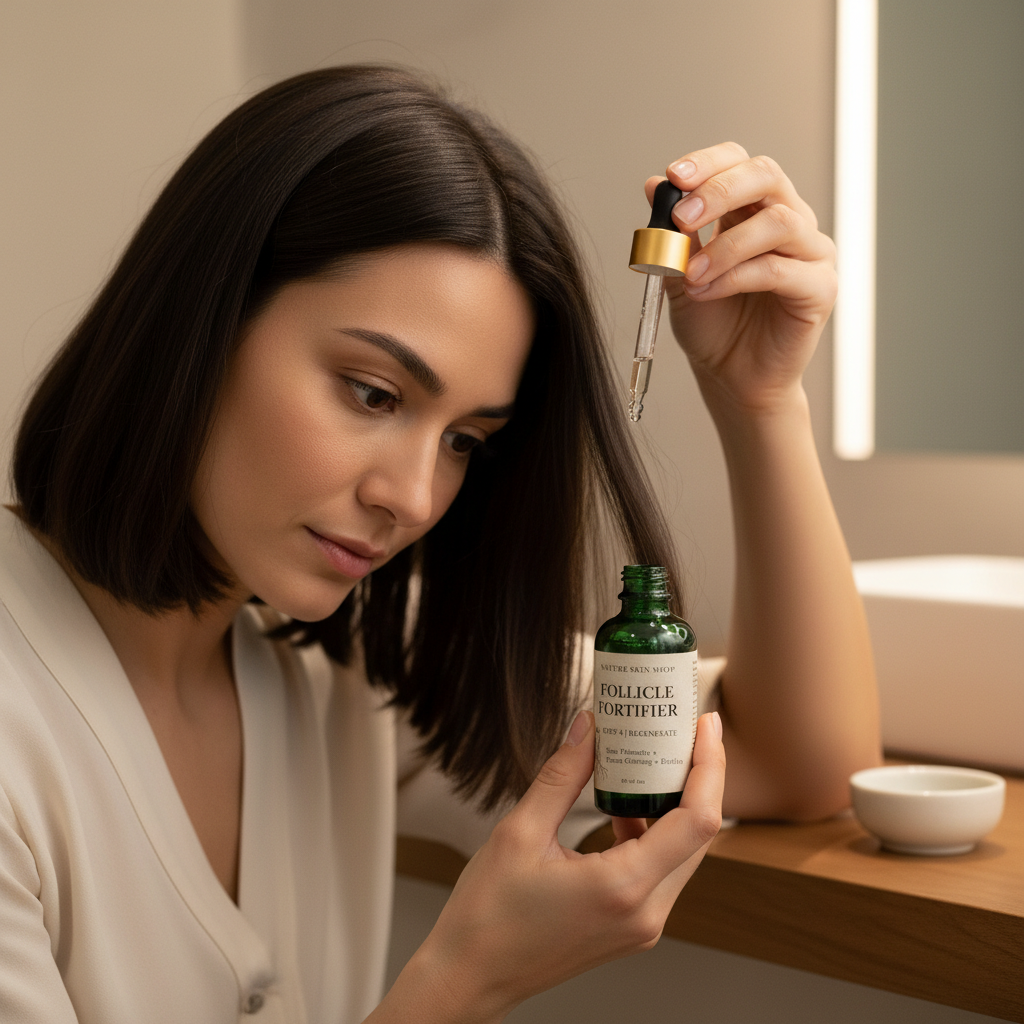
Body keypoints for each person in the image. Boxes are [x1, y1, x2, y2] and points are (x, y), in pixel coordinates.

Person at [0, 64, 880, 1023]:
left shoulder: (353, 662)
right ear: (199, 320)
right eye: (373, 393)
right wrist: (467, 981)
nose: (414, 498)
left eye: (466, 441)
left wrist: (759, 401)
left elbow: (799, 766)